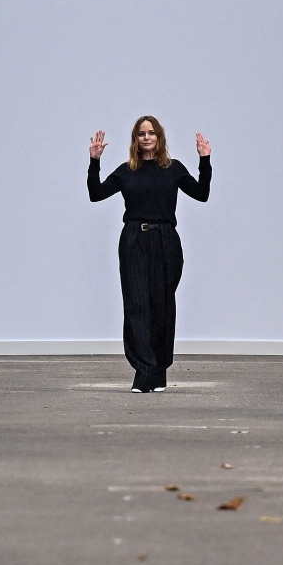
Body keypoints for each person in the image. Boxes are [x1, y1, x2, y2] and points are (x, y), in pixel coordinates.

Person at [87, 116, 212, 393]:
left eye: (151, 133)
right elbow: (95, 194)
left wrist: (204, 160)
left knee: (162, 307)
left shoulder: (173, 169)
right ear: (135, 139)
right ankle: (144, 371)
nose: (146, 138)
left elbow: (202, 194)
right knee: (136, 306)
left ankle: (158, 371)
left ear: (159, 137)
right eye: (141, 133)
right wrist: (94, 161)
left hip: (166, 240)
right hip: (134, 238)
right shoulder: (126, 171)